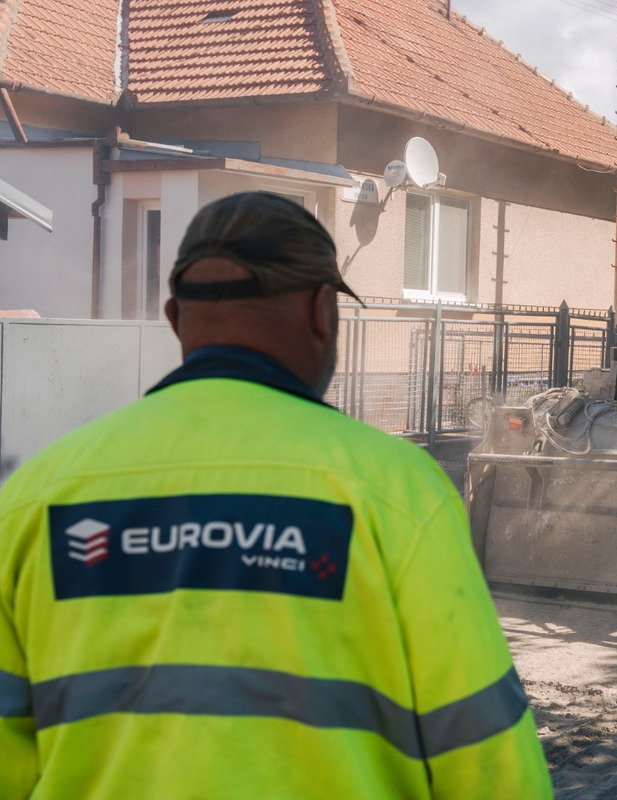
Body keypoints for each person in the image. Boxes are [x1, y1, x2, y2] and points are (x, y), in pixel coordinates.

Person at [0, 192, 552, 798]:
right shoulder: (397, 492)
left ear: (176, 318)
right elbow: (491, 768)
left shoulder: (31, 502)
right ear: (322, 312)